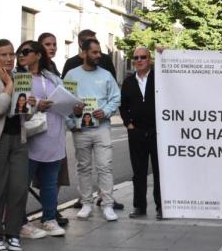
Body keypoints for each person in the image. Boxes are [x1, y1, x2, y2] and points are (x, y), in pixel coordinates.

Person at [0, 38, 43, 251]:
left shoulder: (20, 76)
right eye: (3, 55)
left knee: (18, 188)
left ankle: (13, 233)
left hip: (19, 137)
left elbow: (25, 111)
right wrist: (9, 87)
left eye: (11, 54)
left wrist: (30, 105)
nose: (9, 59)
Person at [68, 37, 121, 221]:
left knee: (105, 166)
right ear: (84, 53)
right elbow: (65, 99)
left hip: (102, 128)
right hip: (80, 129)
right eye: (94, 52)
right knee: (83, 167)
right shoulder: (72, 75)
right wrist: (71, 120)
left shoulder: (106, 75)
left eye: (99, 52)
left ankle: (107, 204)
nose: (99, 55)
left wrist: (105, 111)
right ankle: (86, 204)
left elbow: (116, 97)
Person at [18, 39, 68, 237]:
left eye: (26, 51)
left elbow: (64, 96)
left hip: (54, 135)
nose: (21, 55)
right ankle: (20, 222)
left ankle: (49, 218)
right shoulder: (18, 77)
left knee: (50, 183)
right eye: (19, 52)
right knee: (22, 183)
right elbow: (17, 103)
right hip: (31, 137)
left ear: (38, 55)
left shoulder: (52, 77)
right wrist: (36, 104)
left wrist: (75, 105)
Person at [120, 46, 163, 219]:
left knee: (160, 170)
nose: (139, 60)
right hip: (136, 132)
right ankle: (139, 206)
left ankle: (161, 206)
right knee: (138, 171)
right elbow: (123, 106)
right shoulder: (129, 81)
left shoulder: (159, 78)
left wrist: (164, 54)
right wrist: (128, 124)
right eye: (136, 58)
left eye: (143, 57)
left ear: (150, 59)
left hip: (157, 131)